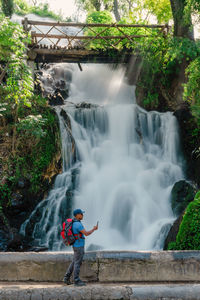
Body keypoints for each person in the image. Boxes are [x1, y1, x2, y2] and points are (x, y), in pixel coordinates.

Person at [63, 208, 98, 286]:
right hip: (79, 246)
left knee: (74, 262)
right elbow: (86, 233)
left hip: (75, 245)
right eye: (81, 214)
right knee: (77, 263)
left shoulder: (74, 223)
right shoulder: (78, 224)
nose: (82, 215)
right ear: (77, 215)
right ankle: (76, 280)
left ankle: (66, 278)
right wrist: (94, 229)